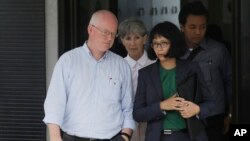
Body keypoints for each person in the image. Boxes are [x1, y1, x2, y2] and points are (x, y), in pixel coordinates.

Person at [43, 10, 135, 141]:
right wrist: (55, 137)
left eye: (113, 34)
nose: (109, 38)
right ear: (90, 29)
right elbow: (54, 103)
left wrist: (125, 136)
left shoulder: (122, 66)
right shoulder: (68, 61)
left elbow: (128, 108)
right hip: (73, 137)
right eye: (106, 32)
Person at [133, 21, 215, 141]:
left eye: (164, 43)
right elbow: (138, 113)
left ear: (174, 43)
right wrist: (162, 106)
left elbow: (211, 103)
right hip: (158, 137)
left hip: (189, 135)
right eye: (155, 44)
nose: (159, 48)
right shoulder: (145, 74)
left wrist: (197, 109)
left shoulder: (192, 68)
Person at [178, 2, 232, 141]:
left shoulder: (218, 51)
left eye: (202, 27)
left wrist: (230, 114)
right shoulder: (173, 52)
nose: (198, 32)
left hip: (213, 120)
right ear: (182, 27)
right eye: (192, 27)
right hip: (181, 121)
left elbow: (230, 83)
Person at [118, 18, 155, 141]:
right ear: (122, 41)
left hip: (151, 122)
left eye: (137, 37)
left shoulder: (155, 65)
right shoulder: (117, 66)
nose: (132, 43)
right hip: (124, 125)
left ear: (145, 39)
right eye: (128, 38)